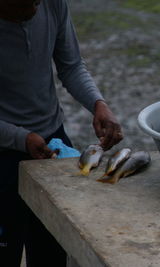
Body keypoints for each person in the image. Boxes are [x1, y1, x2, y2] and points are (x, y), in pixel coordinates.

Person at [0, 0, 123, 266]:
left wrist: (98, 104)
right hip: (4, 155)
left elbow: (71, 65)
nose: (32, 8)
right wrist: (21, 137)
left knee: (52, 249)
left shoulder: (52, 3)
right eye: (22, 3)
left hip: (51, 141)